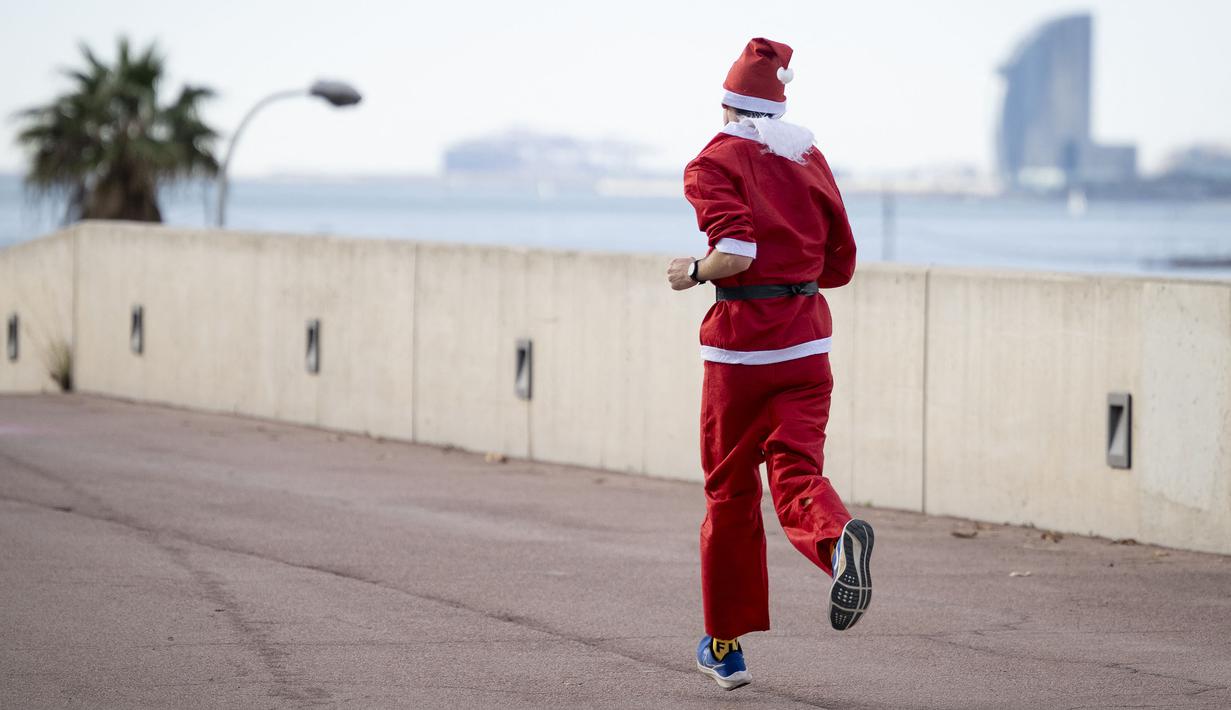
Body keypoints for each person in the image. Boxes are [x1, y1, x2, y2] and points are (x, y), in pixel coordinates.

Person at [666, 37, 874, 691]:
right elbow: (840, 261)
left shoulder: (711, 161)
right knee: (796, 469)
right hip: (807, 343)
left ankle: (724, 648)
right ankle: (836, 543)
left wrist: (692, 272)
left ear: (727, 105)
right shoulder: (808, 156)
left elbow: (733, 253)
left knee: (730, 492)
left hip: (740, 353)